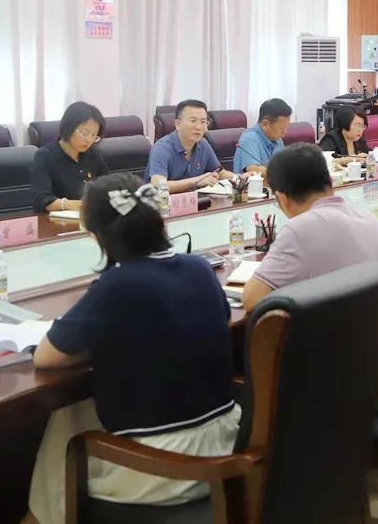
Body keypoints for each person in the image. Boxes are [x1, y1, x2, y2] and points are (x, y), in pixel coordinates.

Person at [25, 173, 238, 524]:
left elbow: (46, 357)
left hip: (167, 469)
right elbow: (222, 316)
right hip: (226, 442)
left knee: (67, 424)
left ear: (98, 236)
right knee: (73, 416)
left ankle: (44, 517)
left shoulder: (117, 285)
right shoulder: (199, 267)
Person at [240, 143, 378, 364]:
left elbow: (252, 299)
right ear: (330, 182)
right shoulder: (368, 218)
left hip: (346, 376)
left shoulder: (300, 229)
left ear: (282, 198)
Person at [31, 102, 110, 213]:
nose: (88, 140)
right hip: (56, 221)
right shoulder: (45, 156)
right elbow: (41, 200)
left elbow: (109, 186)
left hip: (90, 218)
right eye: (84, 133)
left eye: (94, 135)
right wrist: (75, 205)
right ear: (69, 128)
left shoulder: (93, 154)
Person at [144, 99, 237, 194]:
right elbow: (158, 185)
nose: (198, 127)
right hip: (164, 202)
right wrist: (197, 181)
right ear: (177, 124)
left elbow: (221, 173)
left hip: (194, 200)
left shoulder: (203, 144)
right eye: (193, 121)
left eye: (203, 122)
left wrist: (239, 178)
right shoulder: (162, 148)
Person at [233, 98, 292, 175]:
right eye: (281, 128)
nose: (284, 132)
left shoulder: (277, 139)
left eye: (287, 127)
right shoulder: (250, 138)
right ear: (265, 124)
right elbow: (253, 170)